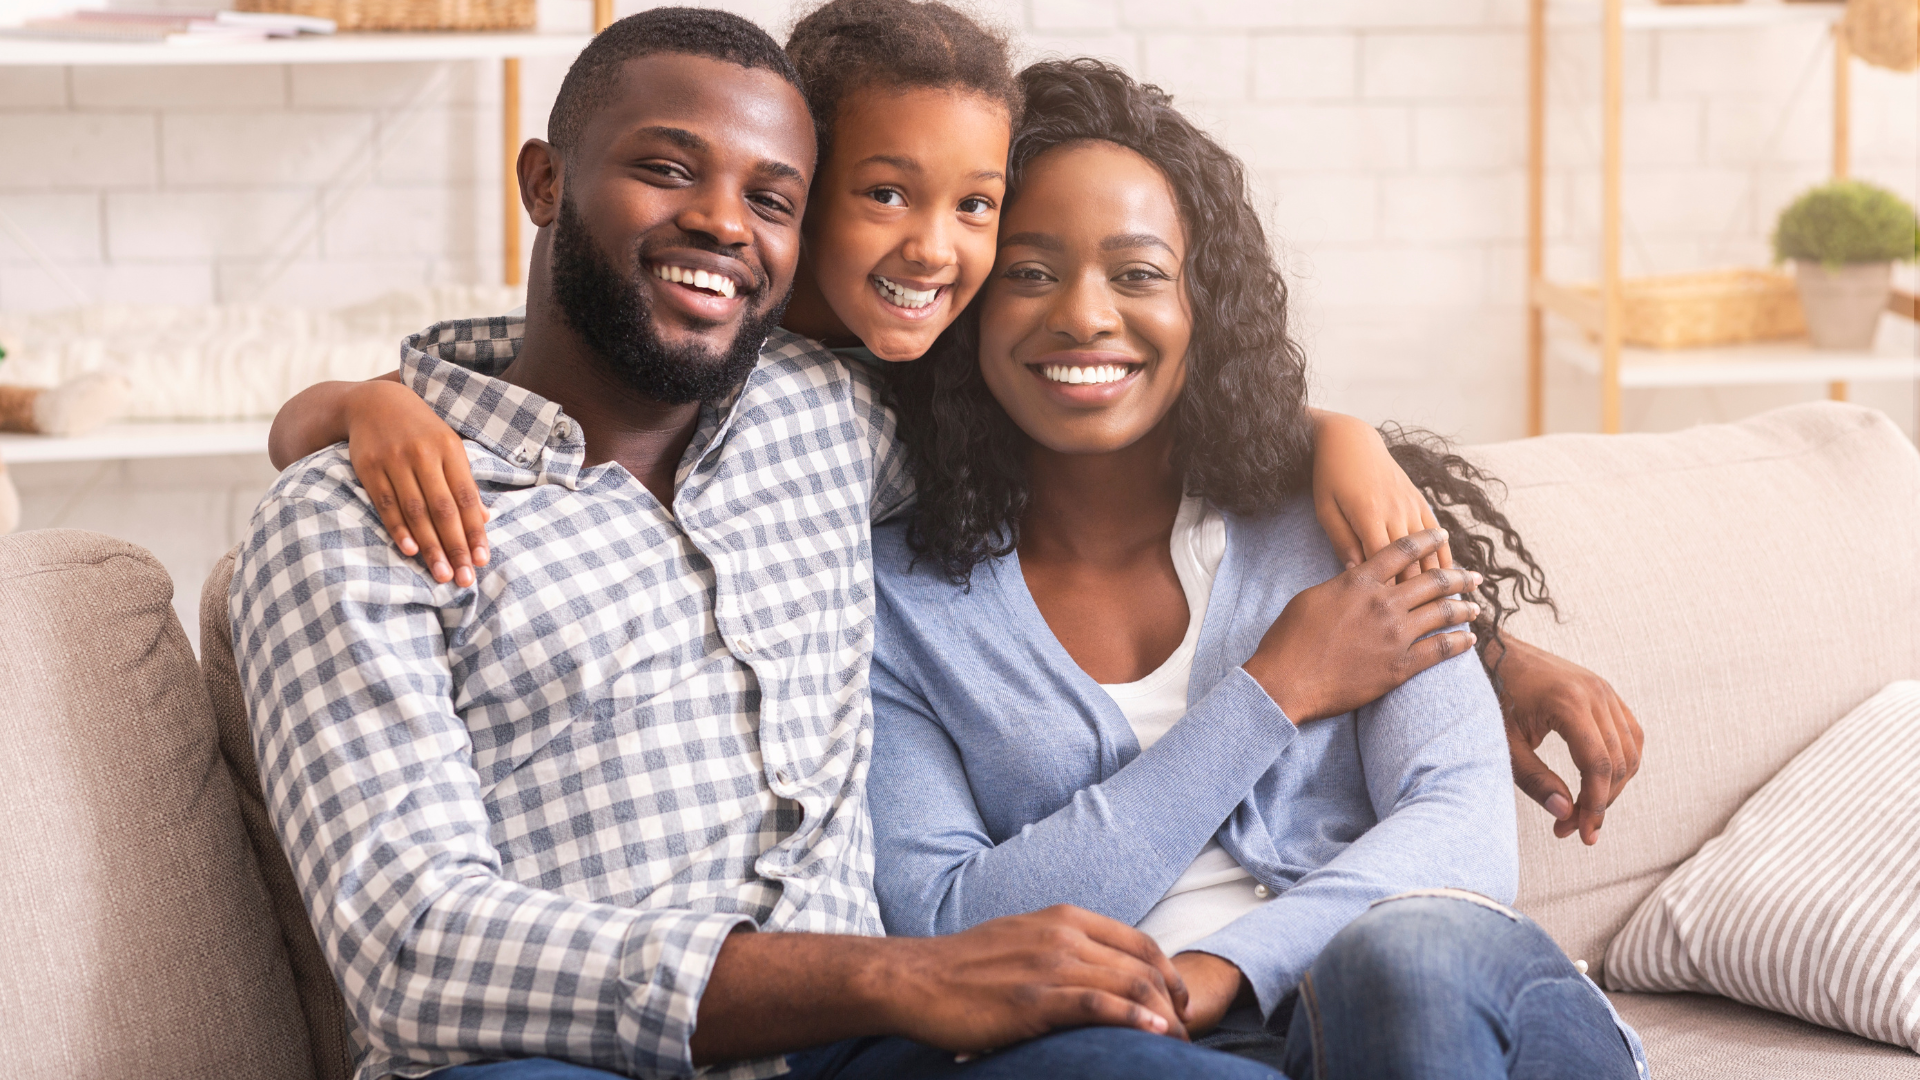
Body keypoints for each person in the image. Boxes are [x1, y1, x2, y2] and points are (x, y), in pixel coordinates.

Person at [265, 0, 1641, 846]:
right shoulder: (685, 331)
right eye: (882, 195)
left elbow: (1187, 444)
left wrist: (1475, 626)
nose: (935, 248)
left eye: (975, 208)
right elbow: (460, 406)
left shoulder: (907, 391)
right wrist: (355, 406)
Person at [232, 12, 1288, 1080]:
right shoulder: (348, 522)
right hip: (561, 1061)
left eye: (771, 200)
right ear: (546, 183)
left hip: (866, 1053)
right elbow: (414, 951)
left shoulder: (830, 417)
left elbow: (1091, 409)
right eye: (665, 168)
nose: (723, 224)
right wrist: (897, 976)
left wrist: (1331, 447)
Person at [866, 60, 1651, 1078]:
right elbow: (950, 921)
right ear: (968, 303)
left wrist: (1225, 965)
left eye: (1139, 273)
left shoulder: (1341, 521)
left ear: (1206, 309)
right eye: (1029, 271)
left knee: (1400, 965)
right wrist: (1274, 689)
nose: (1084, 315)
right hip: (1146, 1046)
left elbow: (1461, 838)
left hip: (1444, 1003)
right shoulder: (902, 600)